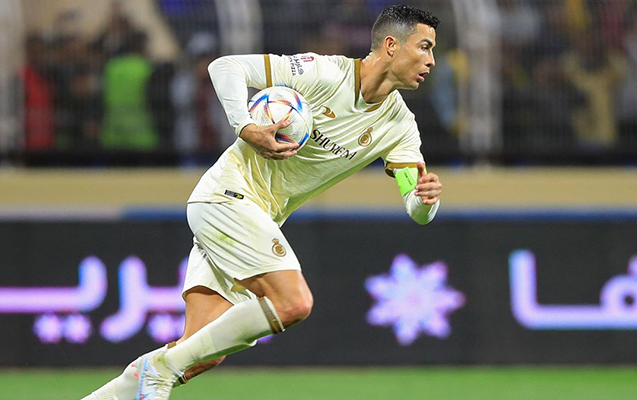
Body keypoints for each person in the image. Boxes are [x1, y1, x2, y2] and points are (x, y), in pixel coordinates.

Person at [84, 5, 442, 399]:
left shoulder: (400, 126)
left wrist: (425, 201)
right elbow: (226, 66)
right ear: (391, 45)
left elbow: (417, 207)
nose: (431, 61)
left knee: (198, 353)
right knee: (293, 302)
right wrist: (246, 126)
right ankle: (160, 370)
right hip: (227, 196)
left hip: (247, 218)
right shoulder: (324, 73)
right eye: (424, 47)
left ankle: (131, 382)